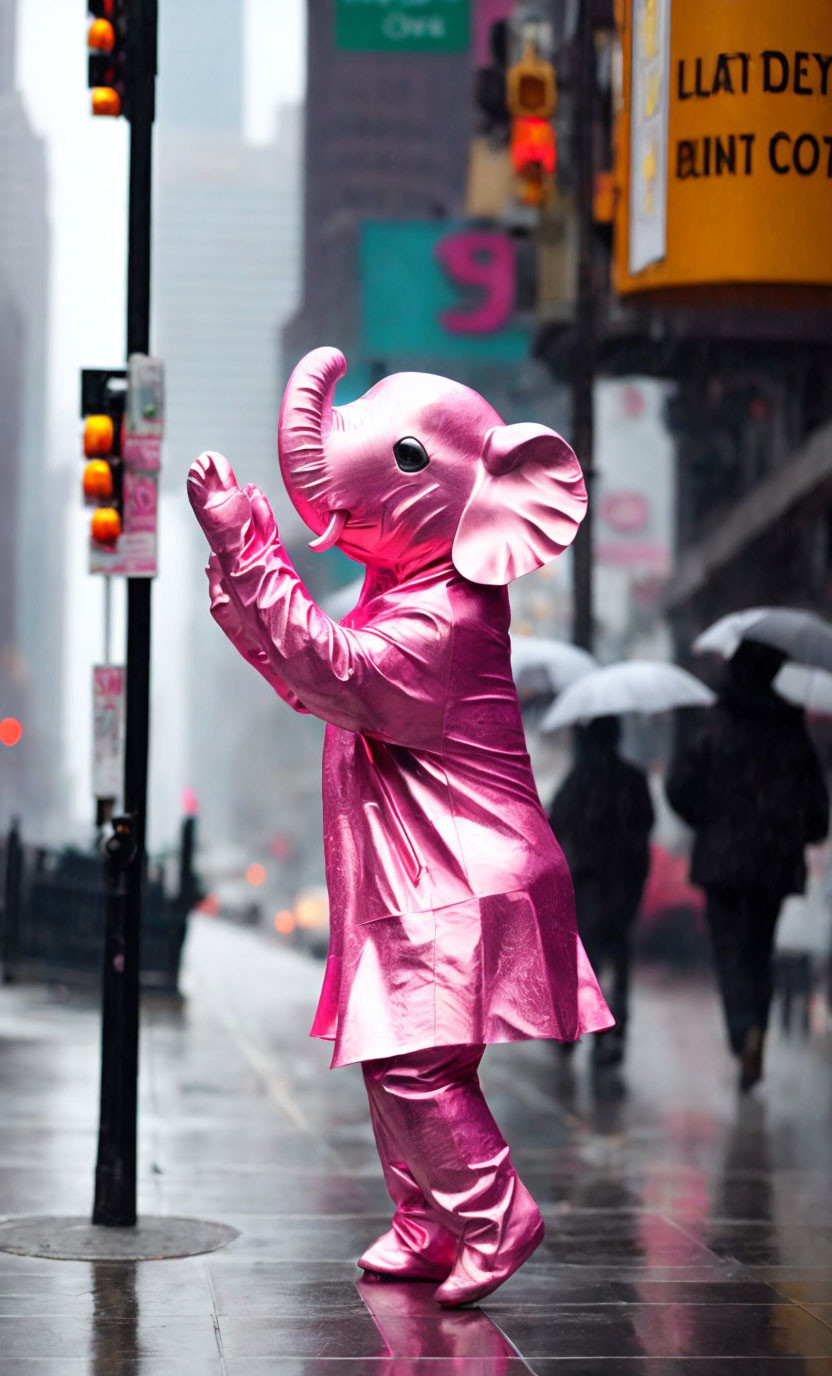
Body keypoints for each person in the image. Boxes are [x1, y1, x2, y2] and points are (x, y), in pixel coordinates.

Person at [187, 347, 613, 1307]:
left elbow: (330, 670)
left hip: (457, 879)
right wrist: (242, 553)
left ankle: (495, 1217)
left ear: (495, 507)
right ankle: (425, 1223)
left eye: (410, 459)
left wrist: (252, 550)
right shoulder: (408, 594)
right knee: (400, 1055)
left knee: (412, 1063)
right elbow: (305, 673)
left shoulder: (446, 622)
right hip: (416, 876)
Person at [665, 640, 829, 1091]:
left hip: (722, 862)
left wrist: (708, 817)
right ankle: (756, 1026)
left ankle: (743, 1033)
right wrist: (799, 828)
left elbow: (679, 788)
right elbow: (816, 805)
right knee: (759, 950)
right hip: (773, 861)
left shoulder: (715, 724)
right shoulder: (789, 725)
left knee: (730, 953)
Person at [548, 716, 655, 1067]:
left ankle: (581, 1027)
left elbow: (556, 820)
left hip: (589, 881)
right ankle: (616, 1026)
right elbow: (646, 824)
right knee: (619, 953)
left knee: (586, 958)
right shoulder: (633, 779)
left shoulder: (580, 779)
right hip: (623, 882)